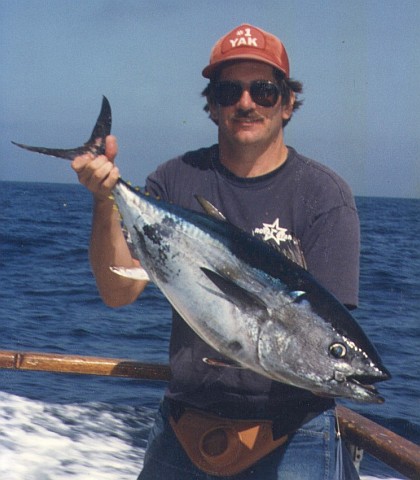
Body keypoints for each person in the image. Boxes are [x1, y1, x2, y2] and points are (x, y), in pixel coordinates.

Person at [72, 24, 360, 480]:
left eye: (264, 91)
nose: (246, 103)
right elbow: (116, 292)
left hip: (296, 434)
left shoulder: (323, 196)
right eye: (229, 91)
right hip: (185, 426)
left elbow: (320, 328)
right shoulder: (175, 180)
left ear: (287, 104)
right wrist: (104, 199)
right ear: (211, 105)